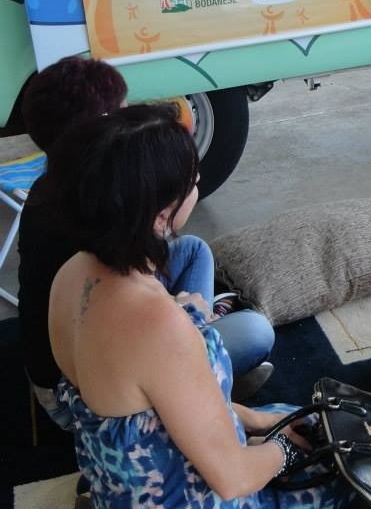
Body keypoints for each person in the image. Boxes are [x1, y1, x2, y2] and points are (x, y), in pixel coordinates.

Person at [44, 104, 350, 508]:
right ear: (159, 218)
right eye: (192, 182)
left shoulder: (71, 274)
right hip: (191, 497)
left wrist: (260, 422)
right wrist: (286, 449)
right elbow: (232, 480)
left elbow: (157, 412)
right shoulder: (156, 322)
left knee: (294, 414)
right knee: (350, 461)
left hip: (121, 484)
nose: (197, 184)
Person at [17, 56, 274, 428]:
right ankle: (208, 379)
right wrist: (182, 315)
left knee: (193, 251)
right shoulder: (106, 215)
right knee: (255, 331)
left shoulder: (64, 187)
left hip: (85, 342)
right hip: (86, 392)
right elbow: (128, 329)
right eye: (122, 113)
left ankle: (206, 346)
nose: (130, 115)